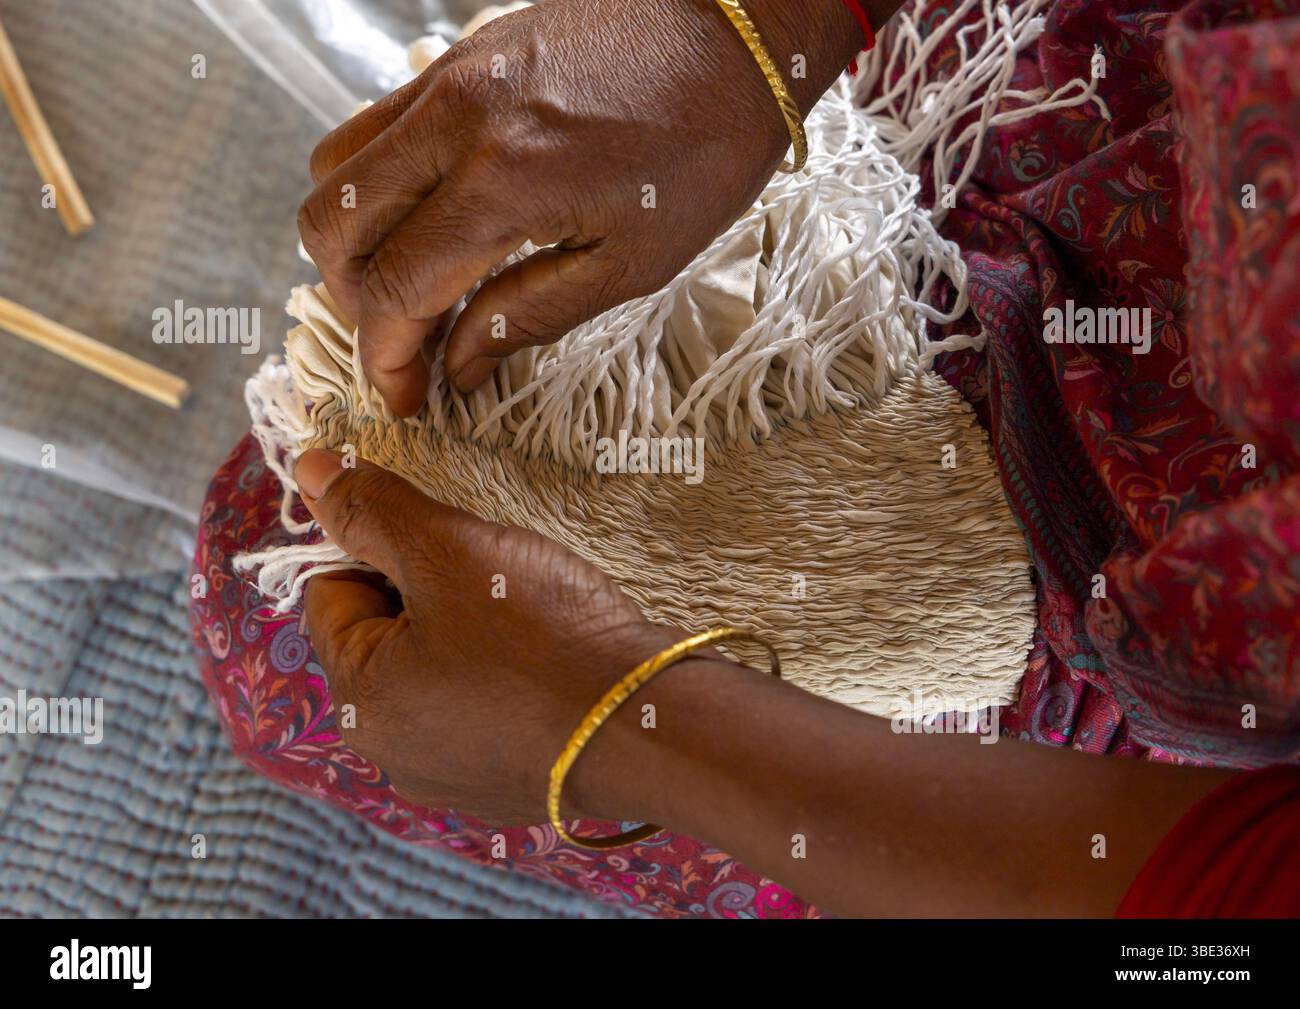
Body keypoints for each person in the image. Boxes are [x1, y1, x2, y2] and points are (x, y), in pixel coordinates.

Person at [192, 0, 1300, 917]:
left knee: (282, 622)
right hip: (1082, 89)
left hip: (1122, 645)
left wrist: (625, 726)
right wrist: (749, 34)